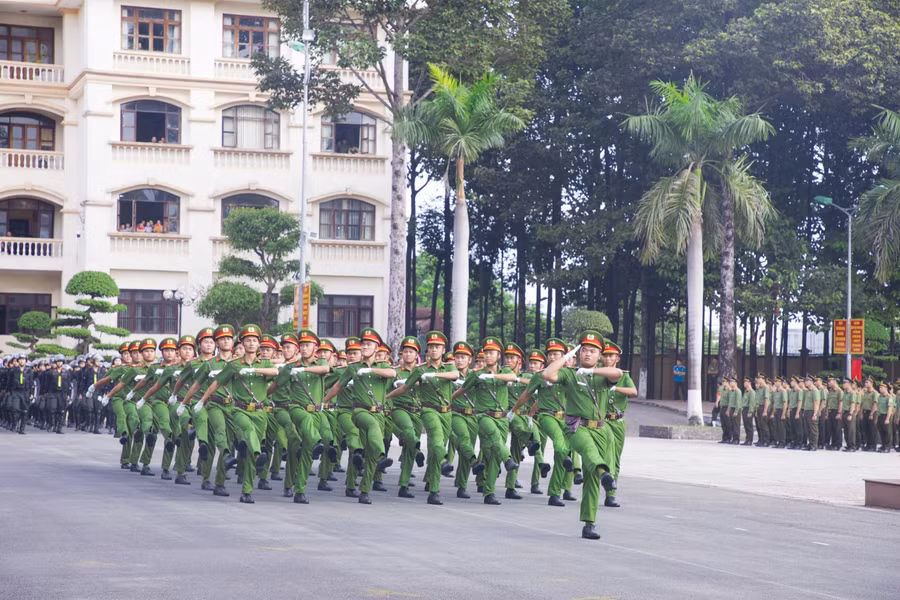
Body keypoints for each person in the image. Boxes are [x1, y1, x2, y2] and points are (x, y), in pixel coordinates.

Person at [542, 330, 622, 540]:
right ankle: (606, 473)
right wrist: (566, 357)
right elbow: (547, 375)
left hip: (601, 430)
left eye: (593, 351)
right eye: (584, 350)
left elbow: (619, 375)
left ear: (600, 355)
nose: (588, 354)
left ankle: (589, 523)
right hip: (578, 428)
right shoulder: (570, 374)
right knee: (587, 450)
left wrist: (593, 373)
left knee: (591, 480)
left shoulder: (602, 375)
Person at [386, 330, 457, 505]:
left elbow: (455, 376)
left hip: (445, 412)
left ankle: (433, 489)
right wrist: (386, 398)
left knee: (433, 450)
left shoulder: (448, 367)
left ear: (443, 350)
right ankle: (442, 462)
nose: (434, 350)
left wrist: (434, 375)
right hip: (427, 410)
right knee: (436, 441)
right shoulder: (420, 370)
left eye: (437, 347)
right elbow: (405, 388)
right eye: (431, 347)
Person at [453, 336, 519, 506]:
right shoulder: (476, 374)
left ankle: (489, 492)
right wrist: (448, 400)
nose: (488, 356)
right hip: (483, 416)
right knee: (494, 436)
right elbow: (463, 389)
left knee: (492, 456)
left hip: (502, 419)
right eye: (486, 353)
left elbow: (512, 377)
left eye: (492, 353)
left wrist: (492, 377)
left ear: (499, 355)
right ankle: (508, 459)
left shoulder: (505, 371)